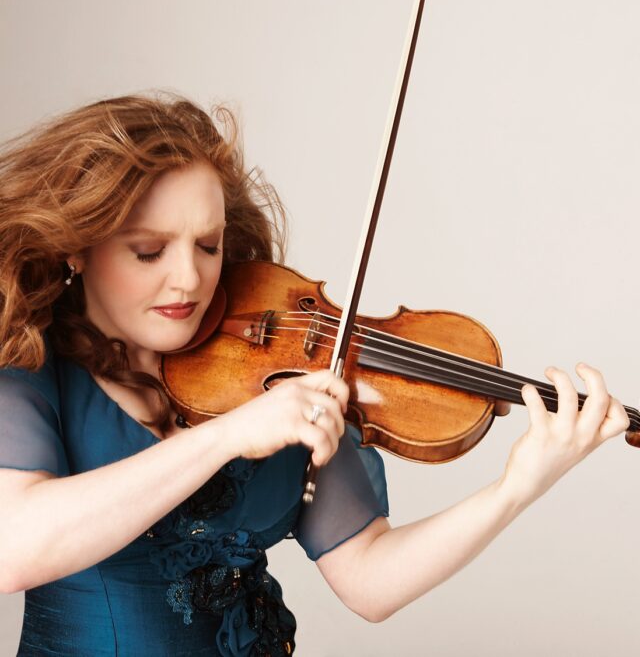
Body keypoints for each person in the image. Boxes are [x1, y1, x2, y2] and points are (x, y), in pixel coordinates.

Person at [0, 92, 629, 656]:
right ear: (76, 246)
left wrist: (516, 488)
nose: (189, 278)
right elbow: (15, 549)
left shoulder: (274, 375)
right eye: (149, 250)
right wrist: (226, 437)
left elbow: (370, 578)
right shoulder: (30, 371)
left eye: (209, 245)